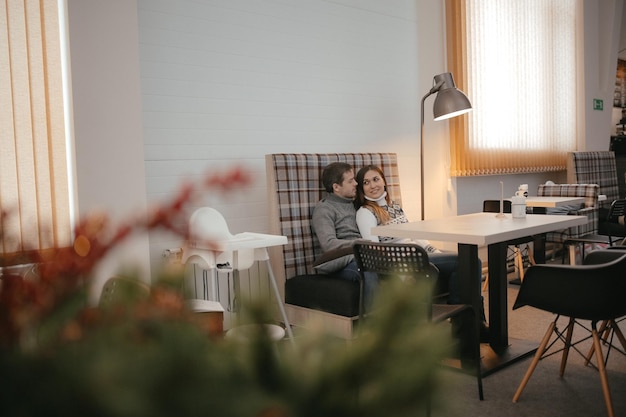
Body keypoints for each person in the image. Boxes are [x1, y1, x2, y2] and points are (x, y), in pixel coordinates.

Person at [354, 165, 489, 338]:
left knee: (469, 261)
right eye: (366, 182)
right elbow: (374, 249)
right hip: (404, 261)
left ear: (384, 181)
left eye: (376, 179)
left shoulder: (393, 206)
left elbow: (413, 235)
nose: (372, 185)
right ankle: (468, 326)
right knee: (468, 262)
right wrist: (402, 273)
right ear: (361, 188)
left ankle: (468, 324)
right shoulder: (365, 212)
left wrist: (435, 250)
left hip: (417, 253)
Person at [311, 162, 378, 310]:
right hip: (340, 262)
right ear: (336, 187)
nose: (356, 183)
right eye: (350, 181)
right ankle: (372, 326)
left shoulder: (356, 204)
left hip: (363, 254)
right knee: (370, 269)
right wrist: (360, 243)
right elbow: (328, 244)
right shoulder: (324, 209)